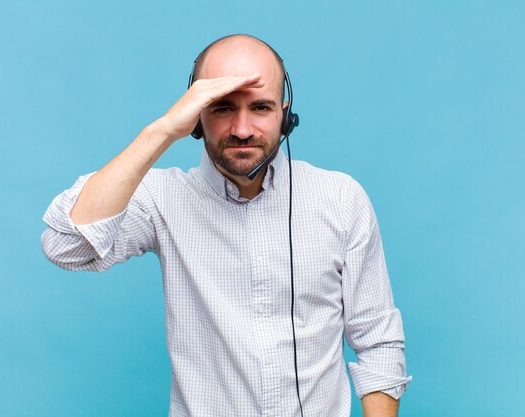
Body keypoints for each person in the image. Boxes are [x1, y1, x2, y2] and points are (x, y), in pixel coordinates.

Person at [41, 34, 412, 417]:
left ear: (285, 116)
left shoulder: (341, 199)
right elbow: (65, 245)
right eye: (221, 108)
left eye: (261, 108)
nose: (243, 128)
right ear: (196, 117)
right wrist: (162, 131)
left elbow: (378, 342)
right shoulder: (162, 199)